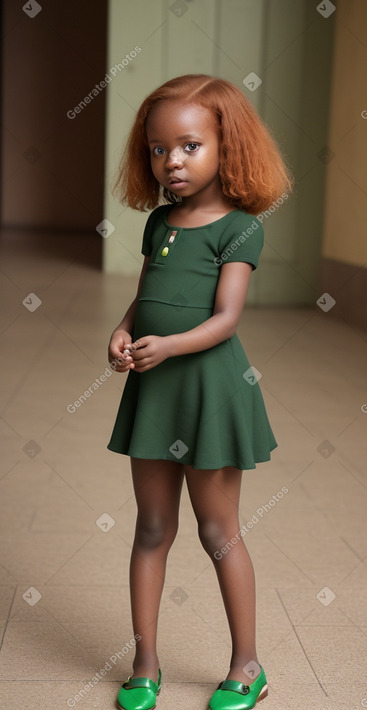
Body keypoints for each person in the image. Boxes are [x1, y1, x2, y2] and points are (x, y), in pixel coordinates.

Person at [106, 73, 293, 710]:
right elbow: (149, 289)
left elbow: (226, 318)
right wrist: (126, 328)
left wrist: (169, 347)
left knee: (219, 530)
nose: (172, 162)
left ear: (227, 147)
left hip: (209, 391)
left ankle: (248, 665)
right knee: (152, 527)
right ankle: (145, 663)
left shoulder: (240, 228)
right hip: (155, 392)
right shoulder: (160, 219)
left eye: (188, 146)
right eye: (159, 150)